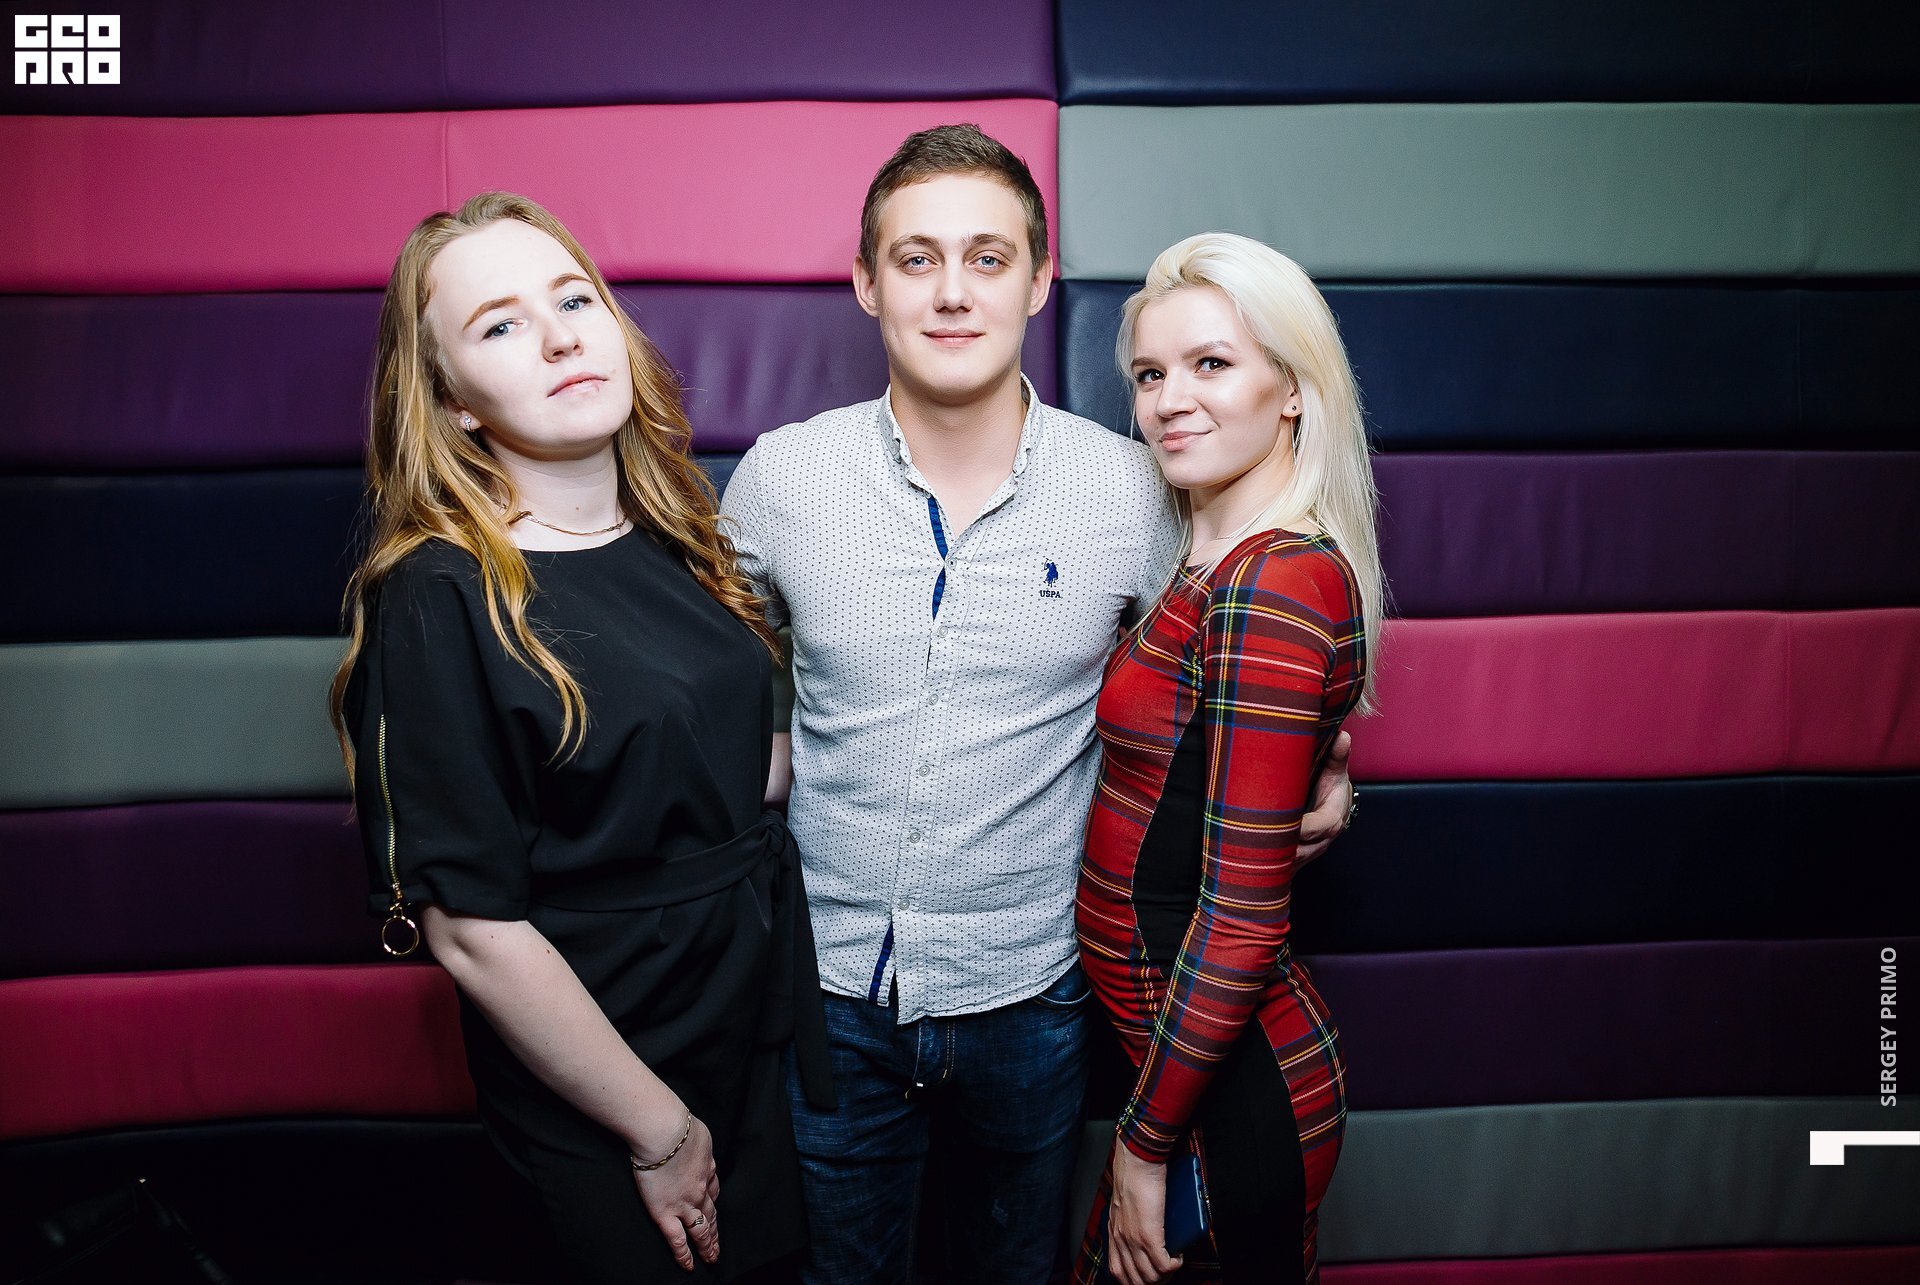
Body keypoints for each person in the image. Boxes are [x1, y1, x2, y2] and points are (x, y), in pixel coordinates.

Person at [719, 127, 1357, 1283]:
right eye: (916, 259)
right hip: (832, 997)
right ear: (866, 282)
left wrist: (1330, 771)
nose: (953, 292)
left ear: (1039, 278)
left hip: (1035, 994)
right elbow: (704, 682)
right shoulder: (781, 479)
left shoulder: (1135, 488)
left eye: (987, 257)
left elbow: (1231, 681)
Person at [328, 191, 831, 1284]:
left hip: (748, 1033)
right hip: (610, 1075)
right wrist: (657, 1129)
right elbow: (472, 929)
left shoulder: (674, 530)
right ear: (453, 401)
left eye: (573, 300)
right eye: (500, 324)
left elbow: (714, 772)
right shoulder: (436, 595)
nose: (558, 336)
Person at [1073, 233, 1385, 1285]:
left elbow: (1244, 916)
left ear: (1293, 390)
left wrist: (1142, 1143)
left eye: (1211, 364)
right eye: (1150, 373)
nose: (1170, 400)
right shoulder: (1211, 560)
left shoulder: (1273, 581)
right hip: (1181, 1073)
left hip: (1228, 1094)